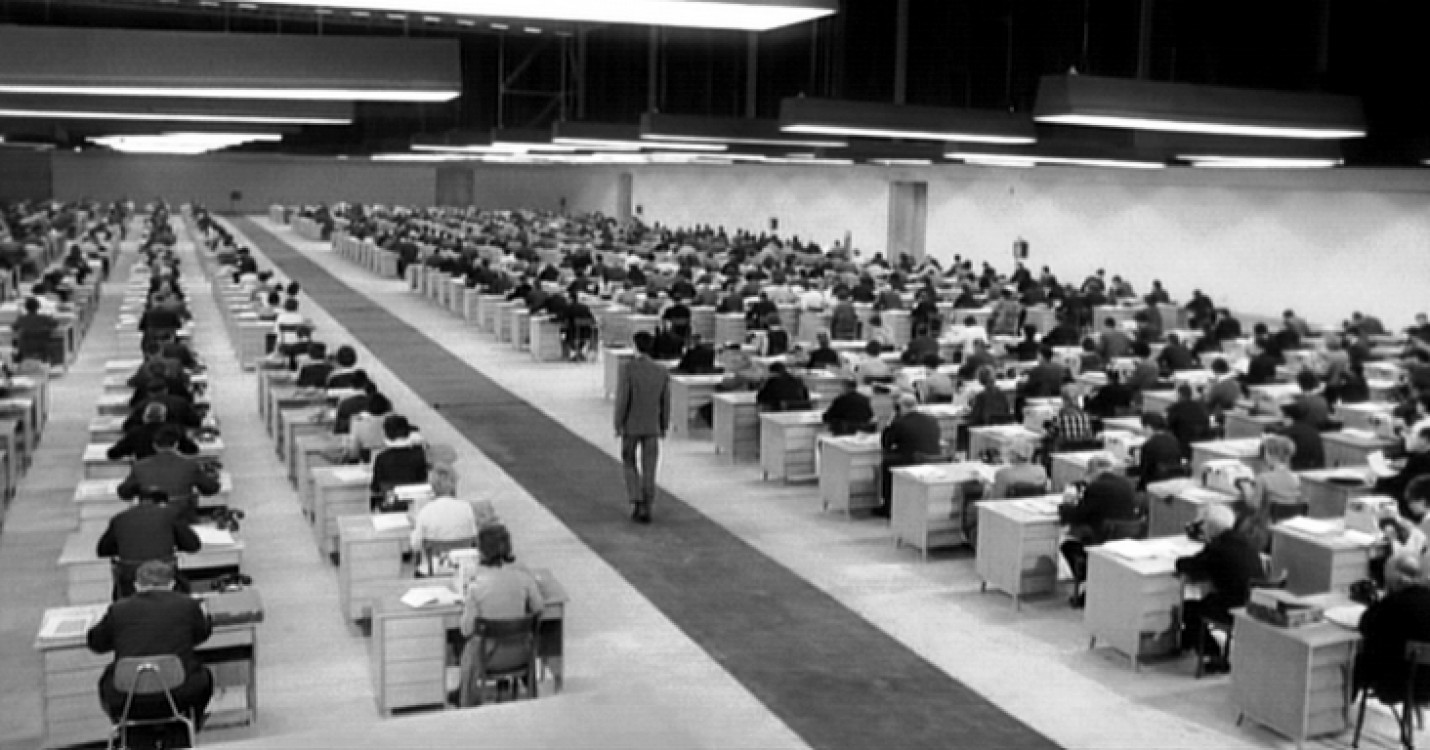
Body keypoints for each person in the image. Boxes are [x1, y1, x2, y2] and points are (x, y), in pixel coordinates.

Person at [86, 560, 213, 738]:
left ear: (137, 586)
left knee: (107, 677)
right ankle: (194, 722)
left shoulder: (118, 610)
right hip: (178, 694)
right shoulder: (188, 605)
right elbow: (201, 635)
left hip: (128, 697)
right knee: (204, 675)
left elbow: (96, 643)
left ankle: (121, 725)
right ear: (172, 584)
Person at [455, 524, 545, 708]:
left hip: (487, 658)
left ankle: (464, 700)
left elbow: (466, 630)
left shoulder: (476, 587)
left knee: (468, 645)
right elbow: (539, 608)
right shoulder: (524, 578)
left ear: (481, 551)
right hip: (521, 654)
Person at [1174, 504, 1263, 674]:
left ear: (1210, 527)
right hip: (1254, 603)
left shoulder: (1217, 548)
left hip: (1232, 607)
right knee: (1207, 599)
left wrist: (1181, 560)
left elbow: (1190, 566)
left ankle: (1212, 654)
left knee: (1189, 608)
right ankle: (1191, 642)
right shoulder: (1245, 541)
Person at [1059, 453, 1140, 607]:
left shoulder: (1096, 487)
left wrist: (1065, 507)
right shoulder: (1127, 484)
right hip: (1127, 536)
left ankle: (1089, 582)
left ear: (1092, 472)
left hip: (1103, 537)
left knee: (1067, 545)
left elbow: (1079, 515)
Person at [1355, 552, 1430, 707]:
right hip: (1427, 683)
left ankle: (1339, 708)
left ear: (1396, 579)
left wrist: (1379, 601)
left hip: (1398, 684)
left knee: (1353, 654)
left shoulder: (1393, 604)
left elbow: (1365, 626)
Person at [96, 490, 201, 599]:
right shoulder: (170, 514)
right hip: (164, 575)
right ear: (162, 504)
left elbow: (103, 550)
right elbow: (193, 545)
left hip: (129, 579)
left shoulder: (119, 518)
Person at [614, 331, 669, 524]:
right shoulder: (661, 371)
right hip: (652, 425)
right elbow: (665, 402)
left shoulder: (628, 369)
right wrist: (663, 424)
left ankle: (636, 499)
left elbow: (623, 399)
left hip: (631, 424)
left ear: (635, 345)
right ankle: (648, 502)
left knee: (629, 461)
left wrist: (618, 422)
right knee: (650, 466)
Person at [116, 426, 220, 525]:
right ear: (176, 445)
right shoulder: (190, 465)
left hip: (150, 518)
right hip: (183, 519)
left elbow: (124, 493)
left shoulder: (139, 466)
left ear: (154, 445)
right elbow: (211, 489)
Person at [410, 465, 493, 567]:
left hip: (433, 568)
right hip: (462, 567)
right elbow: (474, 539)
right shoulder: (467, 509)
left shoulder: (425, 512)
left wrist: (414, 527)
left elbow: (415, 546)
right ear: (453, 485)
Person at [877, 394, 943, 517]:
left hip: (913, 461)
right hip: (934, 459)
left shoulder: (900, 422)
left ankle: (887, 506)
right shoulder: (932, 419)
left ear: (900, 407)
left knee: (886, 463)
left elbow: (886, 443)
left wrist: (889, 423)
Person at [370, 415, 429, 511]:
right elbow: (422, 480)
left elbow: (376, 487)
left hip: (390, 504)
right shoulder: (419, 455)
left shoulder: (381, 458)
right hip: (414, 505)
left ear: (386, 434)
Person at [107, 403, 200, 462]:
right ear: (163, 417)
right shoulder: (175, 430)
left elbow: (113, 454)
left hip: (144, 473)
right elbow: (192, 450)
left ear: (145, 417)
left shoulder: (136, 433)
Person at [1249, 434, 1303, 522]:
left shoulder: (1262, 478)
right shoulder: (1296, 478)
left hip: (1265, 525)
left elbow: (1254, 506)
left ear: (1270, 454)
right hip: (1288, 523)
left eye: (1265, 453)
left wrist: (1245, 488)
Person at [1376, 423, 1430, 504]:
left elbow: (1402, 471)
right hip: (1415, 493)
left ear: (1424, 440)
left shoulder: (1422, 459)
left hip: (1411, 495)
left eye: (1417, 437)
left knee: (1383, 482)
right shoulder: (1418, 455)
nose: (1414, 440)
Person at [1136, 413, 1185, 490]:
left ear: (1148, 427)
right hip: (1174, 481)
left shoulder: (1149, 444)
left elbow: (1144, 471)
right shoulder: (1174, 440)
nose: (1143, 431)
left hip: (1154, 483)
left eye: (1143, 428)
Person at [1165, 384, 1212, 458]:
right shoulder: (1200, 406)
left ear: (1179, 395)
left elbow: (1168, 426)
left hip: (1183, 444)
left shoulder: (1175, 408)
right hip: (1202, 444)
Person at [1044, 383, 1096, 450]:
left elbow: (1050, 435)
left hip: (1063, 451)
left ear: (1063, 399)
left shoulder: (1059, 417)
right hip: (1082, 451)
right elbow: (1089, 436)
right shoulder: (1085, 416)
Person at [12, 296, 58, 363]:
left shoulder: (21, 319)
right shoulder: (44, 317)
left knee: (14, 342)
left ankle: (18, 359)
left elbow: (14, 327)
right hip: (42, 345)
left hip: (25, 346)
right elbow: (55, 324)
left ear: (25, 307)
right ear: (38, 307)